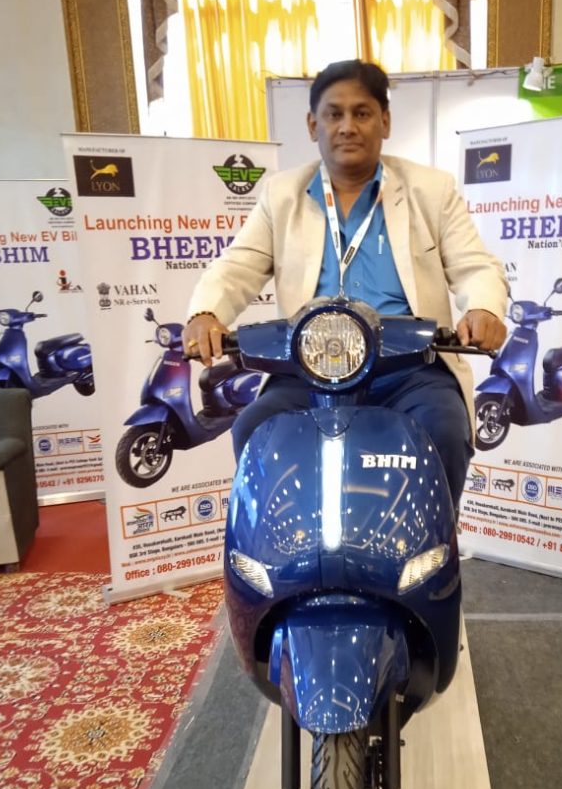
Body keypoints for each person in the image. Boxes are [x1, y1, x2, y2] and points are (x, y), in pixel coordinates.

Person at [183, 59, 508, 507]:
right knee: (254, 429)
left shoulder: (431, 189)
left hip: (409, 368)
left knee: (445, 431)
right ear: (312, 124)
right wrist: (206, 313)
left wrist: (484, 308)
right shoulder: (282, 193)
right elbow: (237, 266)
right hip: (308, 368)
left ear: (385, 121)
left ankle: (434, 543)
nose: (347, 126)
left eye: (362, 113)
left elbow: (475, 265)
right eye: (334, 114)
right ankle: (285, 545)